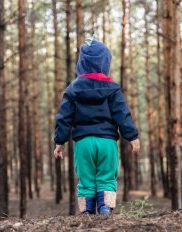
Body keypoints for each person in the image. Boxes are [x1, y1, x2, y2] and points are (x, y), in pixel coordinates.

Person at [54, 37, 140, 216]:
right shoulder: (112, 88)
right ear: (105, 63)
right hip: (107, 142)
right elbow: (122, 113)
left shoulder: (72, 89)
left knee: (86, 180)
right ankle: (105, 208)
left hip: (83, 143)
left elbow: (64, 117)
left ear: (81, 63)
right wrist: (132, 136)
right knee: (106, 177)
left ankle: (86, 213)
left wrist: (59, 142)